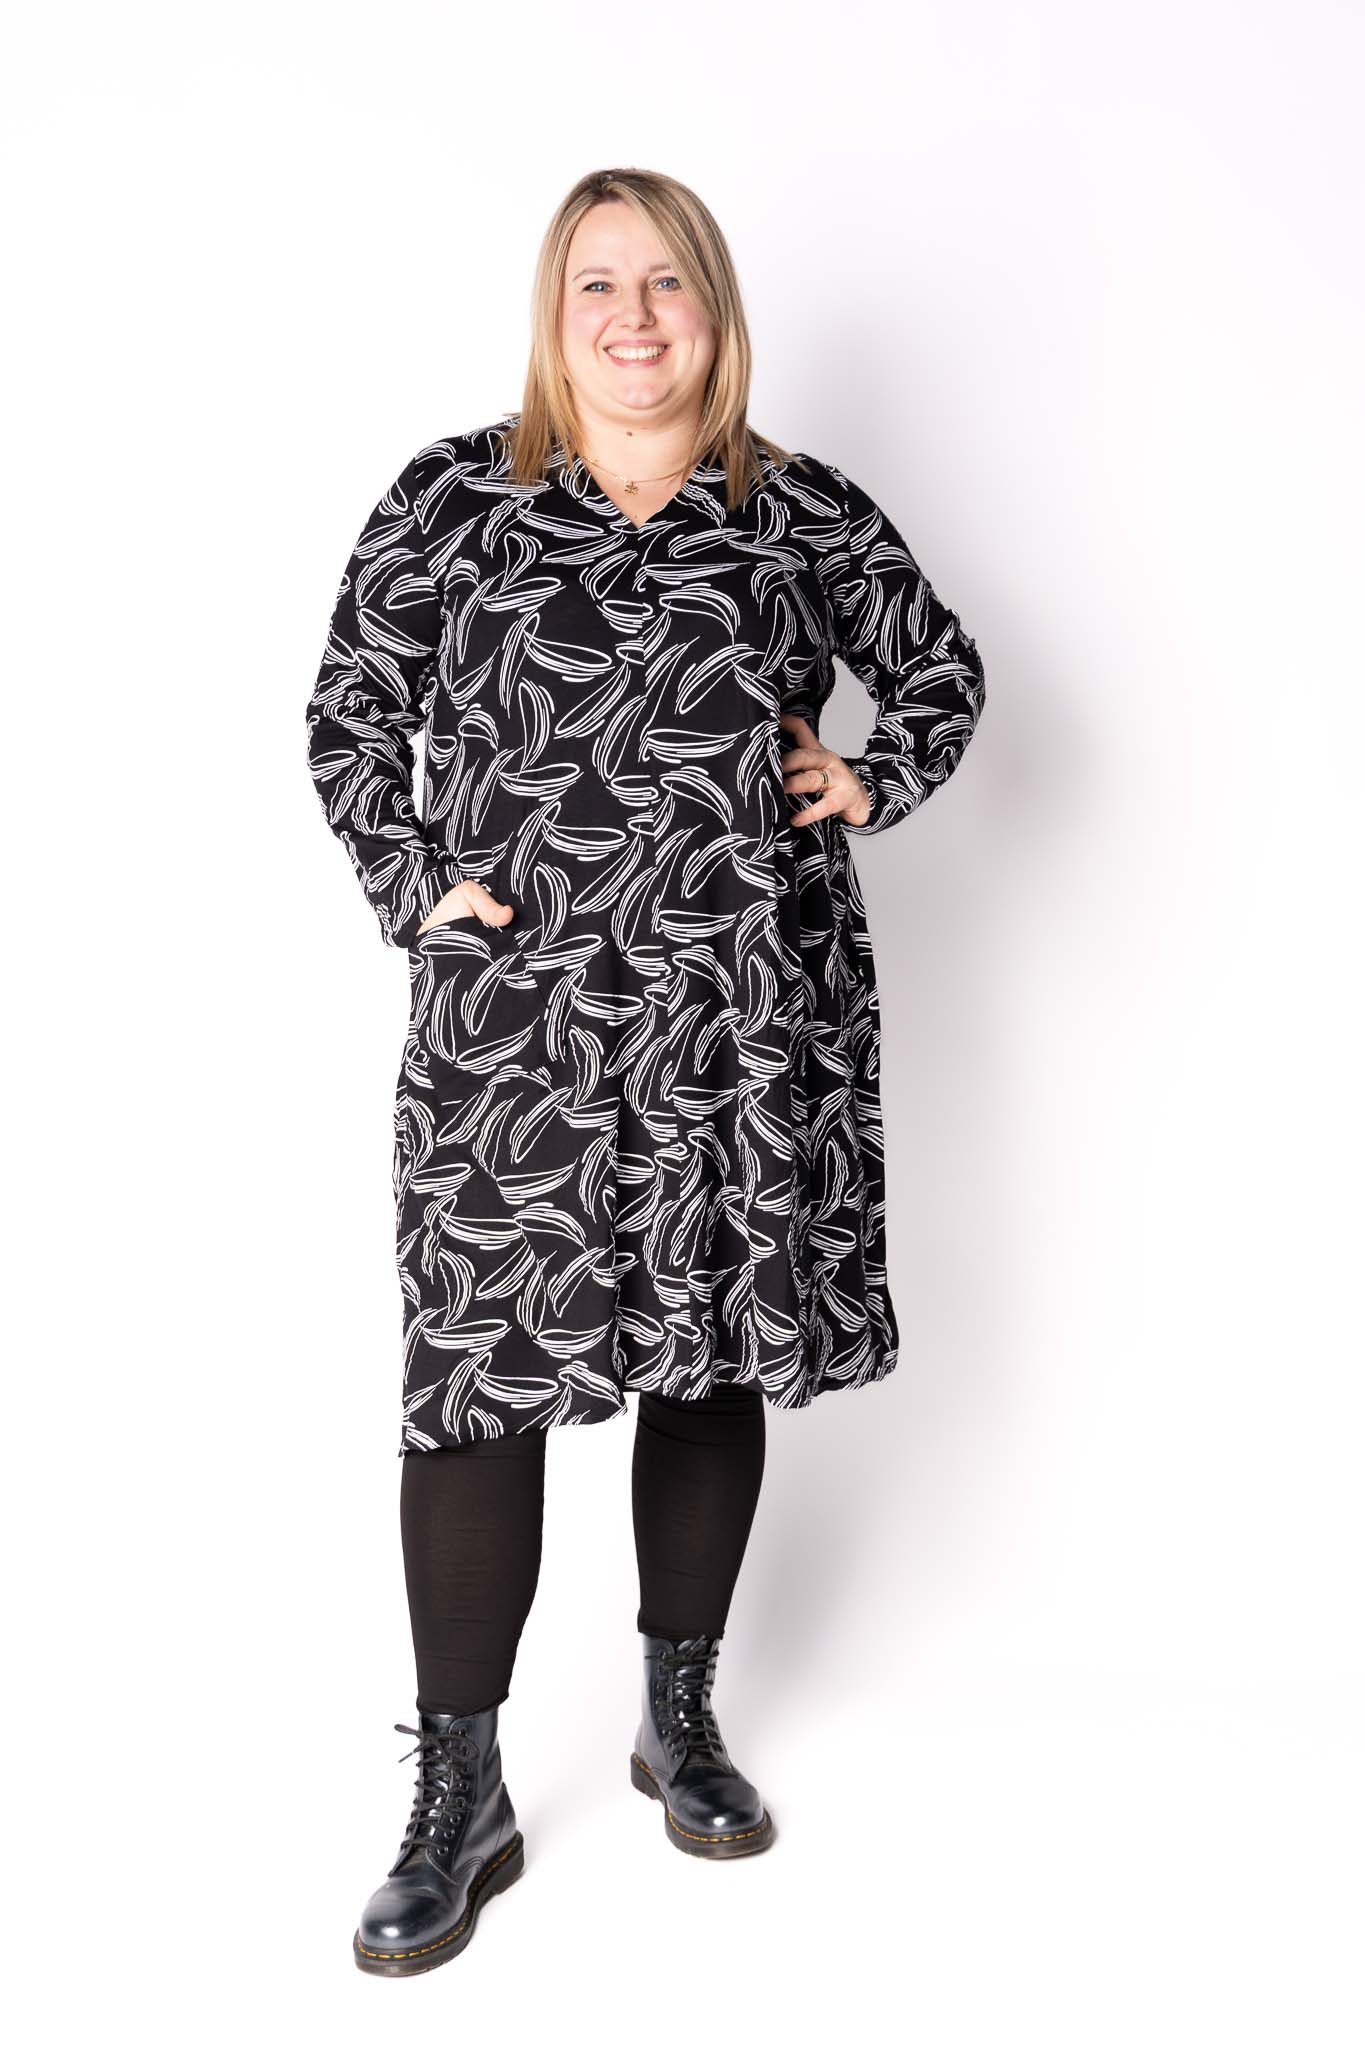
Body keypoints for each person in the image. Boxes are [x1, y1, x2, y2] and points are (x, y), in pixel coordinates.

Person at [305, 165, 987, 1976]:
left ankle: (676, 1718)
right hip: (515, 1024)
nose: (632, 316)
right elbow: (352, 706)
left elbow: (937, 667)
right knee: (478, 1379)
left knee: (710, 1347)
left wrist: (869, 776)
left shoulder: (796, 509)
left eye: (666, 283)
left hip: (739, 1020)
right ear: (556, 312)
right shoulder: (455, 499)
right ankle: (459, 1793)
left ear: (712, 312)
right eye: (597, 283)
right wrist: (409, 877)